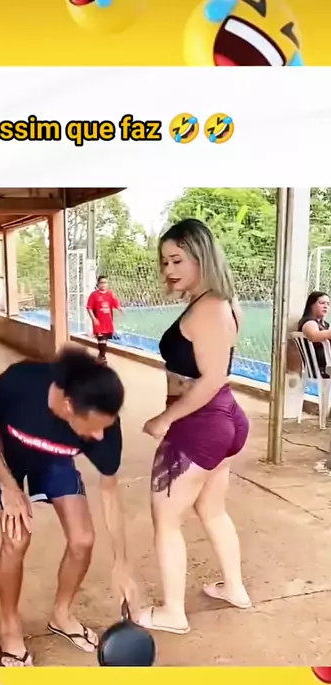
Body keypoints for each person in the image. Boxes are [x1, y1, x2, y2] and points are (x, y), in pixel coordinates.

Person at [0, 346, 137, 667]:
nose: (99, 435)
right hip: (6, 456)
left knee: (83, 540)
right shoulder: (21, 381)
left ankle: (61, 615)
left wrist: (121, 563)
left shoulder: (104, 423)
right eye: (92, 426)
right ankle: (9, 628)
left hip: (53, 459)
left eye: (105, 426)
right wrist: (7, 485)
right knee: (17, 538)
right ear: (67, 406)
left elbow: (110, 492)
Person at [138, 218, 251, 635]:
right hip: (221, 421)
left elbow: (212, 378)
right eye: (165, 261)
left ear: (201, 257)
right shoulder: (220, 301)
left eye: (177, 260)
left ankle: (173, 612)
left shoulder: (210, 308)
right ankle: (234, 588)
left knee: (166, 520)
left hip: (200, 423)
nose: (168, 269)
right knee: (211, 508)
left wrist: (164, 418)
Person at [86, 275, 123, 363]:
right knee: (101, 340)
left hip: (108, 323)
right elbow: (89, 308)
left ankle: (100, 356)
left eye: (105, 282)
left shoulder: (110, 294)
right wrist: (94, 319)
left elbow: (116, 304)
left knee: (104, 341)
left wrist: (121, 309)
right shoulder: (94, 295)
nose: (103, 284)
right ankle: (103, 358)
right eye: (101, 283)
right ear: (98, 284)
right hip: (99, 322)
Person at [297, 291, 331, 377]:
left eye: (328, 304)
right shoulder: (309, 322)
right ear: (311, 305)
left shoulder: (325, 325)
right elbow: (313, 336)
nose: (326, 306)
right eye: (322, 303)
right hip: (321, 369)